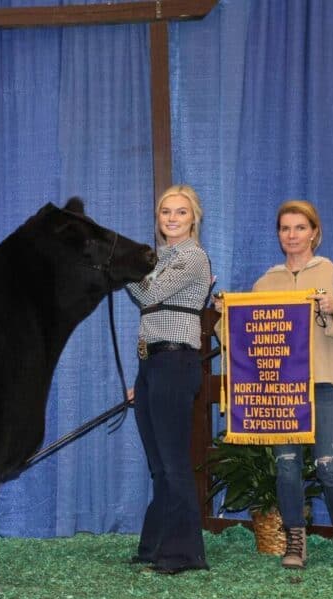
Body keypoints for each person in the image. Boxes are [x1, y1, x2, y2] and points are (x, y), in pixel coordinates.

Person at [243, 200, 333, 571]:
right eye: (285, 228)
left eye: (300, 227)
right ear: (278, 234)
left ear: (314, 232)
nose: (292, 235)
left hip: (325, 382)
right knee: (286, 466)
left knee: (329, 465)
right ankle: (294, 540)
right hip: (281, 388)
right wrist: (227, 318)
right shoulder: (265, 283)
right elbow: (244, 336)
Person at [125, 184, 212, 574]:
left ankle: (184, 553)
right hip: (152, 363)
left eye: (180, 212)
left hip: (176, 362)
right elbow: (148, 297)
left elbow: (151, 293)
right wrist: (141, 377)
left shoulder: (193, 257)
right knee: (159, 463)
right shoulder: (157, 258)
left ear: (193, 218)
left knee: (174, 461)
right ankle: (155, 545)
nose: (172, 218)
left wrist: (123, 269)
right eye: (166, 212)